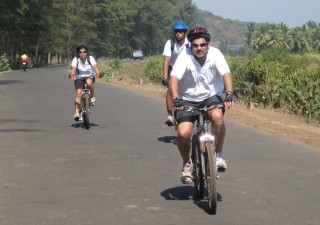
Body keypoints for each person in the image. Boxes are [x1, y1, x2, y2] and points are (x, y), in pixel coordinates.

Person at [169, 27, 236, 184]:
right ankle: (187, 164)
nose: (199, 48)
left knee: (218, 117)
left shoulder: (216, 54)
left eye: (202, 45)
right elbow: (174, 78)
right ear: (190, 45)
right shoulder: (184, 56)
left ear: (208, 45)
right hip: (186, 98)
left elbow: (226, 74)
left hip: (210, 96)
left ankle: (218, 154)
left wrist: (229, 93)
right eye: (195, 45)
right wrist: (176, 98)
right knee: (184, 134)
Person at [162, 21, 189, 126]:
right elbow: (166, 61)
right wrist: (165, 77)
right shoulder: (170, 43)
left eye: (180, 32)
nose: (178, 34)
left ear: (185, 33)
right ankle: (170, 115)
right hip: (172, 68)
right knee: (170, 90)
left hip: (185, 69)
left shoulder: (189, 43)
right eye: (176, 32)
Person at [69, 43, 101, 121]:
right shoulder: (76, 59)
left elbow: (95, 66)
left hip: (89, 76)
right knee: (79, 93)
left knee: (89, 82)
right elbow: (73, 68)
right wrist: (72, 74)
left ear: (86, 52)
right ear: (78, 53)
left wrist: (98, 73)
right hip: (79, 77)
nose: (82, 54)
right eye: (80, 52)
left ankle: (92, 97)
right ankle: (77, 112)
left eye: (84, 52)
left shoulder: (90, 58)